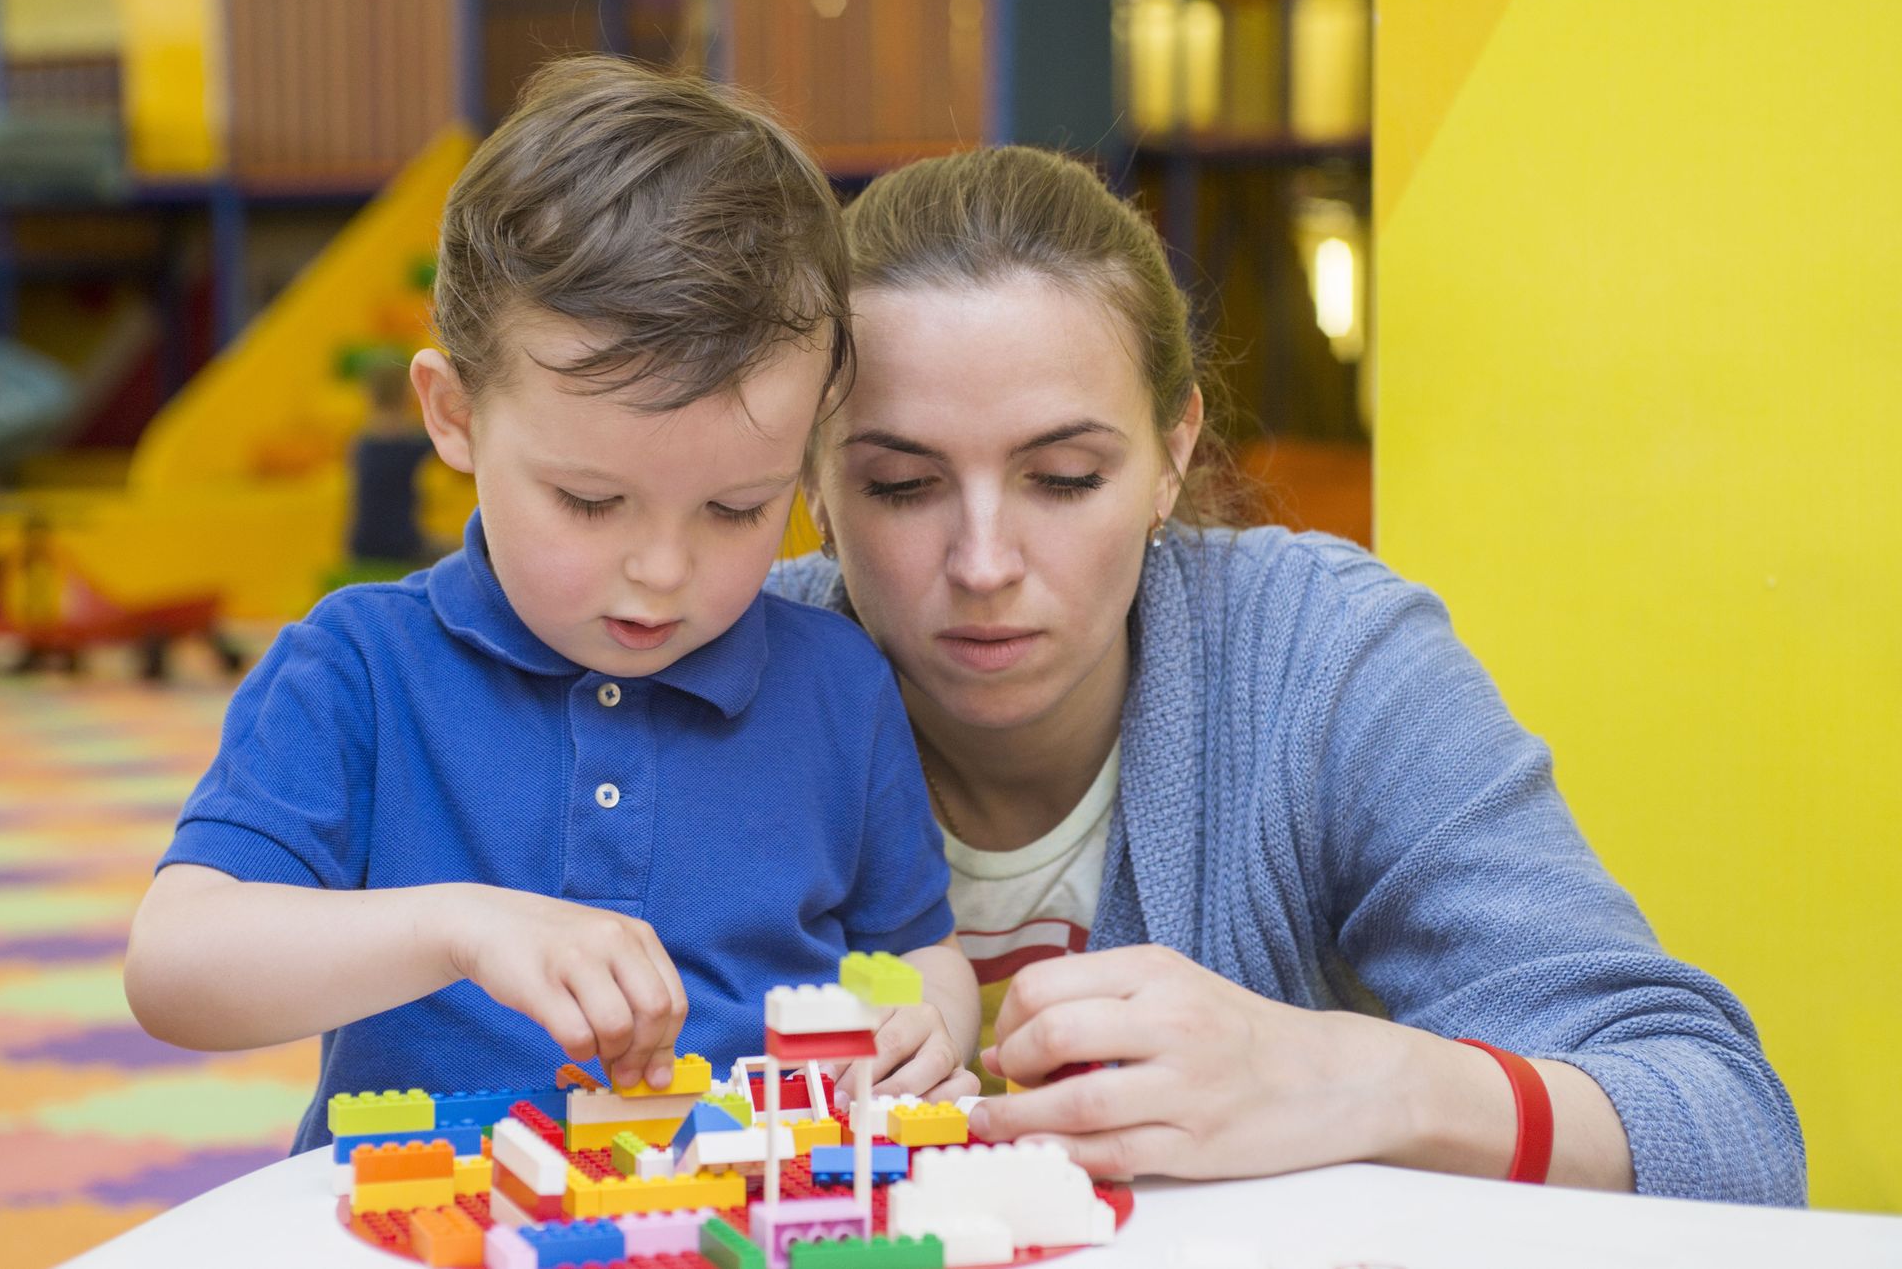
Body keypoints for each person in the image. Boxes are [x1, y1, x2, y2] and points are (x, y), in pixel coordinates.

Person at [767, 145, 1804, 1204]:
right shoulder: (696, 667)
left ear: (1174, 454)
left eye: (1064, 478)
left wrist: (1353, 1078)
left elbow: (1728, 1128)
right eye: (901, 485)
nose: (984, 563)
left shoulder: (1321, 659)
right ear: (807, 475)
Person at [123, 56, 979, 1153]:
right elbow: (176, 968)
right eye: (589, 500)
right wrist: (454, 926)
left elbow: (917, 947)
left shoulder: (836, 683)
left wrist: (930, 1021)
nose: (662, 570)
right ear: (454, 414)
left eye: (735, 507)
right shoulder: (360, 670)